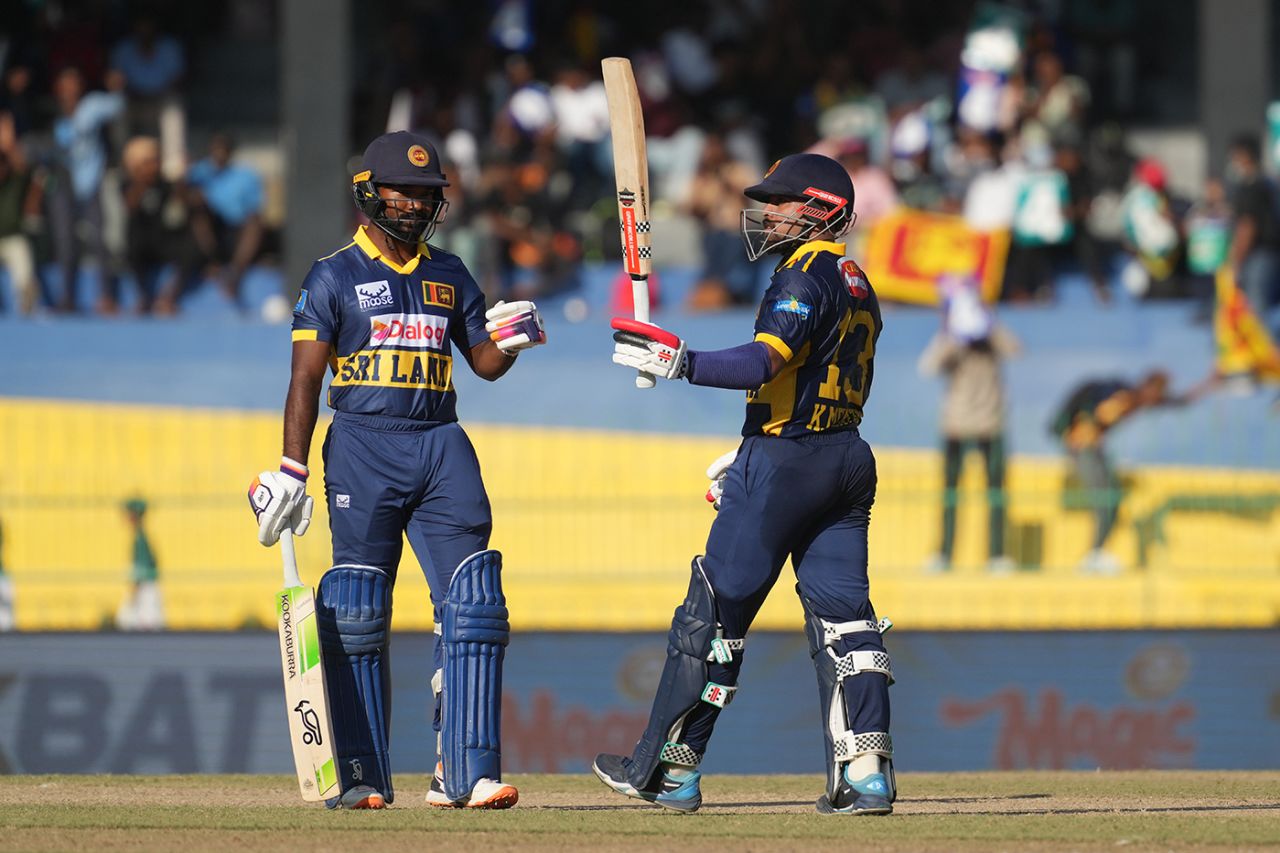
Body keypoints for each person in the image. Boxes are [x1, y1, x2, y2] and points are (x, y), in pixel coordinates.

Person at [246, 131, 546, 810]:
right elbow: (304, 380)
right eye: (403, 192)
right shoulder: (332, 275)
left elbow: (486, 362)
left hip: (441, 443)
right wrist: (291, 470)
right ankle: (359, 774)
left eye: (426, 194)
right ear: (370, 194)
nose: (414, 205)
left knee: (473, 602)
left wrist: (516, 337)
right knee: (355, 611)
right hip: (361, 443)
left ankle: (466, 774)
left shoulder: (451, 273)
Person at [594, 153, 896, 816]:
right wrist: (750, 442)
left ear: (821, 210)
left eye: (781, 203)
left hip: (787, 464)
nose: (767, 214)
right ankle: (866, 773)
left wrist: (683, 361)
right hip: (843, 456)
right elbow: (808, 378)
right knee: (848, 621)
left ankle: (667, 771)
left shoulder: (807, 271)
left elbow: (768, 358)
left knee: (713, 618)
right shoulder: (856, 279)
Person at [918, 275, 1020, 573]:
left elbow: (1015, 349)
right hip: (956, 425)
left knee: (996, 494)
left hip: (991, 424)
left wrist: (988, 325)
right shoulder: (950, 337)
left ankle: (998, 555)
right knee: (950, 494)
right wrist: (953, 334)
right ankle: (944, 554)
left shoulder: (991, 336)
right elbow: (929, 366)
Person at [1049, 370, 1183, 573]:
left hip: (1091, 449)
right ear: (1147, 387)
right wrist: (1087, 431)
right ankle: (1094, 556)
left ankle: (1097, 553)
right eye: (1156, 392)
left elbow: (1176, 402)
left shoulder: (1134, 400)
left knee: (1111, 497)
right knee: (1106, 498)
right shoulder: (1124, 398)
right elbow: (1100, 412)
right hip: (1085, 449)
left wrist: (1209, 384)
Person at [187, 132, 265, 308]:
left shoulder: (246, 176)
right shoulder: (199, 173)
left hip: (236, 229)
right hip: (211, 229)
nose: (219, 155)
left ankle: (235, 273)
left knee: (254, 224)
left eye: (223, 150)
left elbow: (255, 209)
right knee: (199, 217)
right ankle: (212, 262)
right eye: (216, 150)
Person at [1225, 133, 1280, 339]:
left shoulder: (1250, 187)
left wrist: (1236, 261)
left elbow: (1246, 226)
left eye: (1235, 156)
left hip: (1260, 254)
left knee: (1256, 308)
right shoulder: (1269, 183)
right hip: (1272, 252)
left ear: (1245, 157)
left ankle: (1263, 357)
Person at [115, 498, 164, 631]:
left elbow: (142, 570)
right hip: (145, 589)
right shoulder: (140, 537)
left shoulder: (140, 540)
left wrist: (134, 592)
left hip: (145, 590)